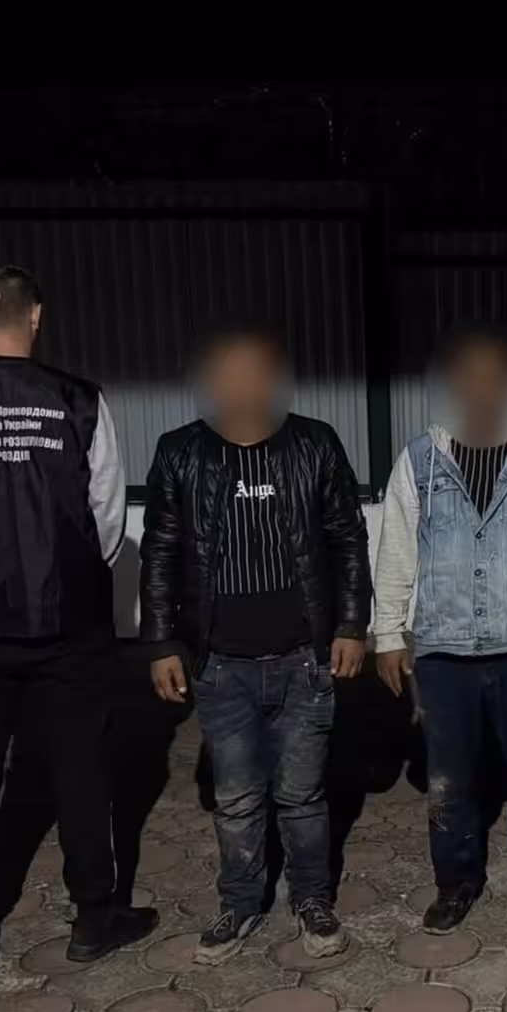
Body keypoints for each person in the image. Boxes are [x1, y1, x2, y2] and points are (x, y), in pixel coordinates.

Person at [0, 266, 155, 968]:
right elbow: (107, 515)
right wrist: (78, 576)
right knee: (79, 767)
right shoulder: (79, 400)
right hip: (66, 620)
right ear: (36, 316)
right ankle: (92, 917)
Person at [141, 324, 371, 965]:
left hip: (304, 659)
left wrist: (351, 627)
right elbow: (160, 550)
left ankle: (312, 900)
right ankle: (240, 903)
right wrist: (160, 642)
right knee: (237, 797)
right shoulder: (180, 452)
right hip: (220, 664)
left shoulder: (315, 444)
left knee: (302, 795)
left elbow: (348, 540)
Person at [373, 327, 507, 936]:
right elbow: (397, 550)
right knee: (449, 781)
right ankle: (456, 883)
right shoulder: (420, 460)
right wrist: (388, 633)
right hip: (444, 651)